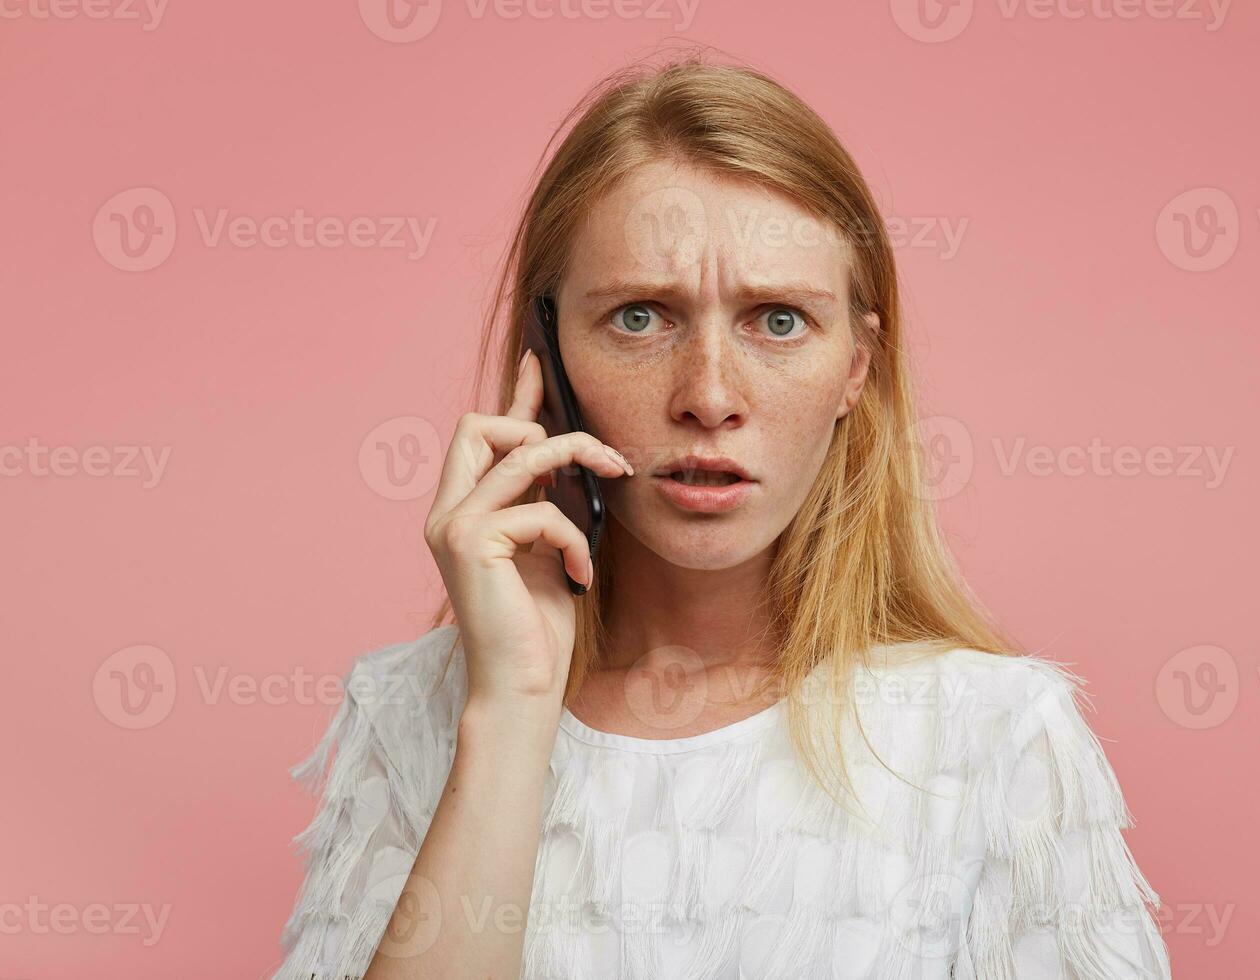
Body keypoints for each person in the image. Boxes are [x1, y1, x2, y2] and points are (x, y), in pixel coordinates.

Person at [270, 54, 1172, 980]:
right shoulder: (413, 717)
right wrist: (510, 713)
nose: (707, 396)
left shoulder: (990, 736)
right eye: (639, 318)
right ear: (548, 353)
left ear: (856, 368)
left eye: (777, 320)